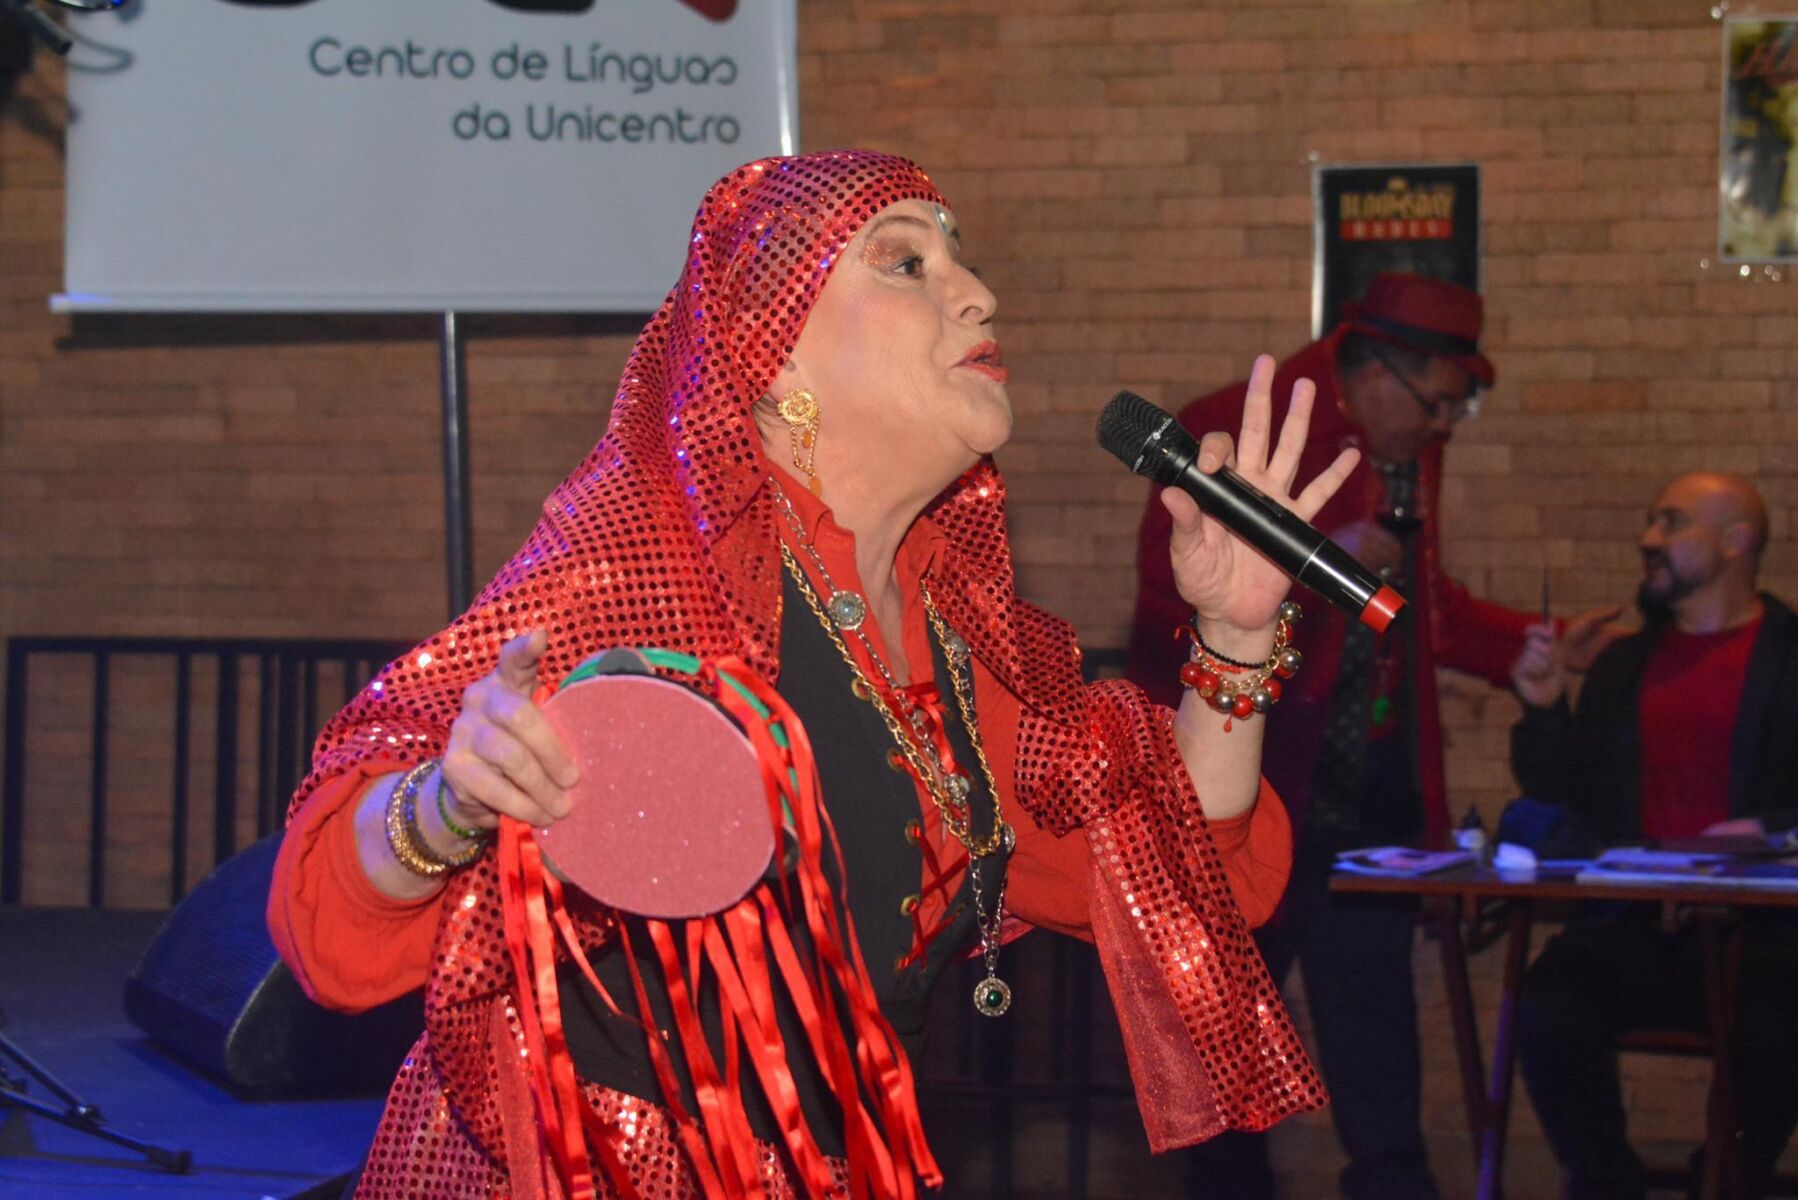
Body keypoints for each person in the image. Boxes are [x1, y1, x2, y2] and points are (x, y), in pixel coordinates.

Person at [267, 150, 1356, 1199]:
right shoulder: (648, 564)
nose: (977, 295)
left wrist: (1236, 632)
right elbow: (327, 931)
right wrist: (448, 806)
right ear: (774, 348)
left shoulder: (948, 640)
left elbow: (1174, 870)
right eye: (906, 261)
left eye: (962, 260)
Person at [1127, 272, 1611, 1200]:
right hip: (1248, 795)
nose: (1443, 426)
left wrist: (1535, 641)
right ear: (1377, 373)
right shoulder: (1231, 424)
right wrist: (1313, 560)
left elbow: (1414, 608)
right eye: (1437, 404)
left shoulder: (1406, 449)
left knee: (1376, 1042)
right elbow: (1164, 597)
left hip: (1361, 799)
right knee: (1226, 1053)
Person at [1511, 471, 1798, 1200]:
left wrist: (1770, 831)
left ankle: (1725, 1182)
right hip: (1637, 929)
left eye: (1671, 523)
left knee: (1781, 1021)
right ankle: (1608, 1184)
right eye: (1650, 521)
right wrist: (1544, 706)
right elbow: (1563, 791)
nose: (1648, 539)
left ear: (1736, 542)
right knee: (1547, 1000)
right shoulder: (1623, 664)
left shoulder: (1791, 658)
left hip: (1766, 939)